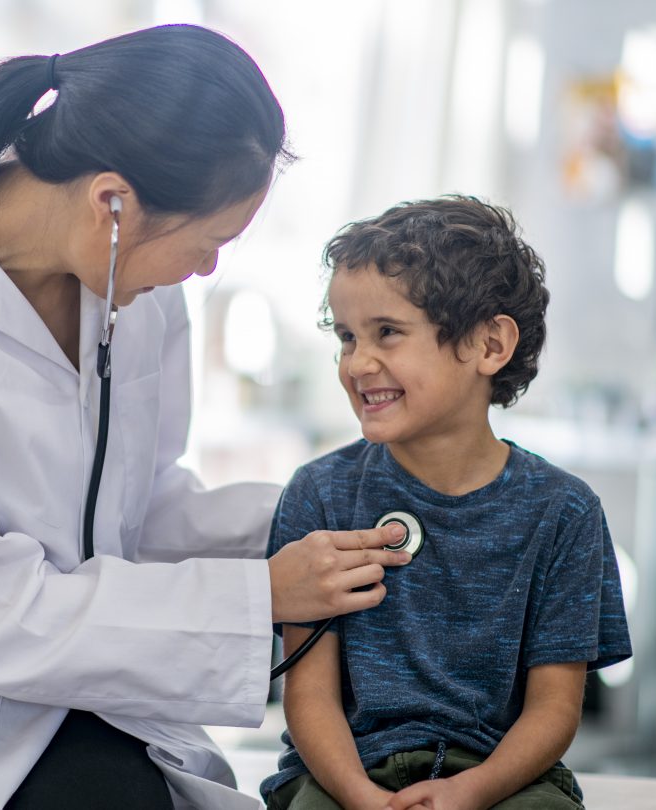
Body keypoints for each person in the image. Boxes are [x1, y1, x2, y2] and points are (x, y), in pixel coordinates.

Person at [0, 24, 413, 810]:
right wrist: (261, 595)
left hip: (73, 698)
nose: (206, 268)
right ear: (113, 204)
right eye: (210, 241)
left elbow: (137, 510)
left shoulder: (138, 290)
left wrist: (314, 517)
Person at [262, 197, 632, 810]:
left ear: (490, 344)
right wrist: (360, 796)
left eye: (387, 333)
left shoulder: (566, 514)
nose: (358, 363)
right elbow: (310, 696)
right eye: (347, 337)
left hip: (501, 779)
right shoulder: (319, 494)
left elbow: (554, 710)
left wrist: (470, 792)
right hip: (345, 772)